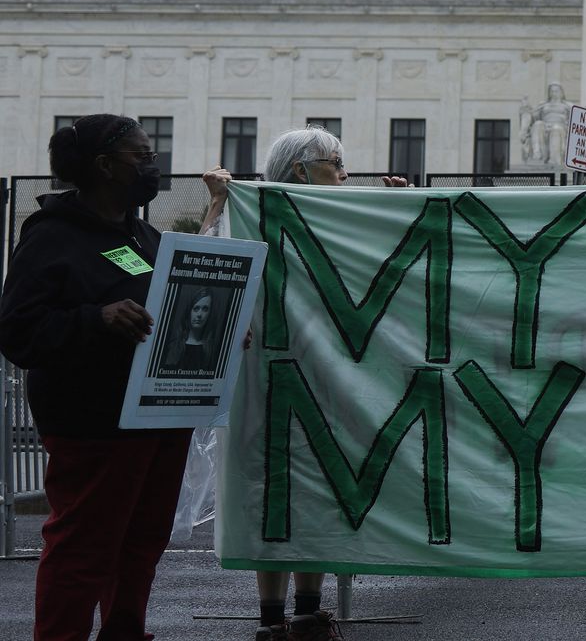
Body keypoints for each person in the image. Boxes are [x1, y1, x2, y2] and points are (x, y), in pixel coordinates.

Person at [204, 126, 406, 641]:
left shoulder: (340, 222)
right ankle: (272, 619)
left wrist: (405, 211)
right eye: (336, 162)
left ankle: (307, 613)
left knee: (319, 489)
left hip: (322, 377)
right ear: (300, 170)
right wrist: (216, 204)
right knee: (266, 489)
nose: (345, 173)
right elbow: (204, 263)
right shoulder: (250, 213)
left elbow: (385, 273)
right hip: (265, 377)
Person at [0, 114, 193, 641]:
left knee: (140, 544)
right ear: (105, 166)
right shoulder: (51, 238)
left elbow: (171, 311)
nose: (153, 165)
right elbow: (17, 332)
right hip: (93, 422)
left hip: (157, 416)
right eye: (142, 155)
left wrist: (221, 328)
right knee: (84, 550)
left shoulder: (146, 237)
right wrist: (97, 318)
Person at [158, 287, 219, 374]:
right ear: (189, 311)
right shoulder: (172, 346)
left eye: (205, 309)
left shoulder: (213, 349)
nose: (199, 315)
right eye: (196, 308)